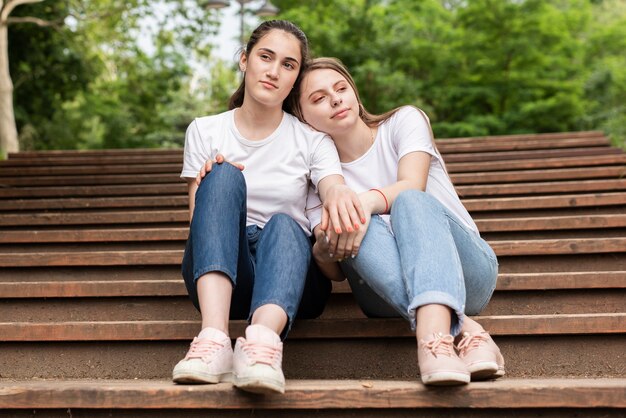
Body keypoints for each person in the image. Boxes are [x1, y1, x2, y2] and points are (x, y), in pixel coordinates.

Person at [173, 24, 364, 395]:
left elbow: (332, 186)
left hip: (292, 275)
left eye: (289, 65)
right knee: (223, 174)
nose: (275, 71)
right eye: (266, 57)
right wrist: (214, 180)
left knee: (285, 224)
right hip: (227, 272)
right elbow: (201, 226)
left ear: (295, 78)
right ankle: (214, 339)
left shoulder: (313, 140)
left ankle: (261, 343)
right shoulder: (204, 130)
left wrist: (339, 193)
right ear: (245, 61)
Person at [291, 57, 504, 386]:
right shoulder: (316, 182)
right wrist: (323, 249)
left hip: (467, 273)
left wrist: (361, 203)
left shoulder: (404, 121)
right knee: (351, 220)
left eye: (341, 88)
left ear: (355, 94)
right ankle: (465, 331)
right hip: (381, 295)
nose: (335, 99)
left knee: (405, 201)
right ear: (302, 119)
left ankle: (435, 338)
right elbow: (334, 272)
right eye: (318, 98)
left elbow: (412, 185)